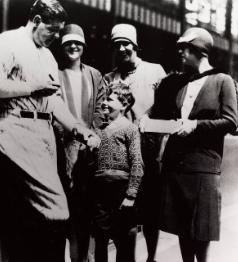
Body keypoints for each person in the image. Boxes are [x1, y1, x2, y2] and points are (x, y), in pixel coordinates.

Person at [0, 1, 100, 261]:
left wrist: (78, 128)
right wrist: (32, 86)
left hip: (43, 133)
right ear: (35, 20)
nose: (56, 37)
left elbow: (53, 101)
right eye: (52, 30)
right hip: (14, 127)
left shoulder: (46, 55)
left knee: (42, 219)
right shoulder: (7, 41)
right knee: (56, 211)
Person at [145, 27, 238, 262]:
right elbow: (171, 119)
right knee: (183, 230)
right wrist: (150, 121)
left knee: (201, 232)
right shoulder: (182, 83)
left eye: (184, 48)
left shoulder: (222, 80)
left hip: (203, 168)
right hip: (177, 168)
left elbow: (230, 121)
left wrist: (195, 125)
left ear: (199, 50)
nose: (180, 53)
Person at [94, 23, 166, 262]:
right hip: (122, 149)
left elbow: (167, 104)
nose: (122, 48)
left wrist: (149, 115)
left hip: (150, 146)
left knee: (151, 209)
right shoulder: (109, 77)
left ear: (135, 45)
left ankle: (152, 257)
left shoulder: (155, 71)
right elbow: (104, 113)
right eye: (117, 45)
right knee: (127, 214)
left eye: (126, 44)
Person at [58, 23, 102, 262]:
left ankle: (90, 258)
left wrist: (91, 135)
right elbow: (53, 112)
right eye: (67, 43)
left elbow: (101, 111)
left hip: (91, 150)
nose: (73, 46)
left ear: (83, 46)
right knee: (73, 212)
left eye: (77, 42)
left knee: (91, 210)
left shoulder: (94, 75)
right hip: (65, 151)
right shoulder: (54, 73)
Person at [91, 82, 144, 262]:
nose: (104, 102)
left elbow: (137, 162)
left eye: (110, 99)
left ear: (124, 105)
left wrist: (131, 194)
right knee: (100, 239)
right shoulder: (99, 130)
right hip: (100, 192)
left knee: (125, 241)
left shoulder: (130, 129)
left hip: (121, 191)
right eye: (104, 98)